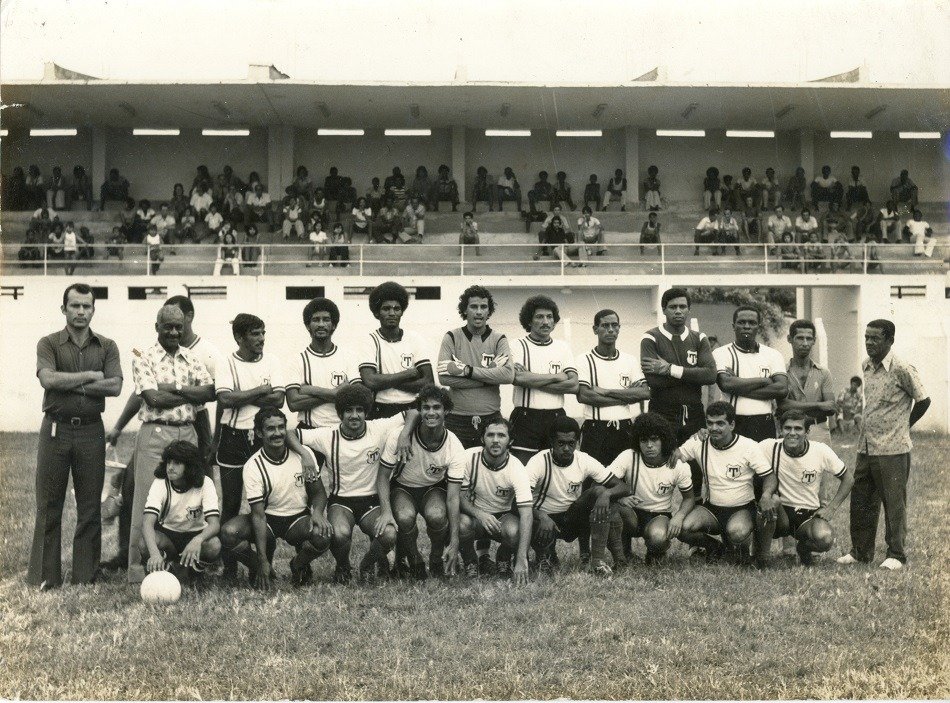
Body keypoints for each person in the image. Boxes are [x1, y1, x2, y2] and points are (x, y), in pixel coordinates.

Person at [102, 296, 222, 572]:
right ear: (156, 326)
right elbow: (152, 399)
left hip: (187, 433)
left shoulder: (192, 357)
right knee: (145, 500)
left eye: (178, 327)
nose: (174, 333)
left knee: (191, 492)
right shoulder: (144, 358)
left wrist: (174, 389)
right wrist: (184, 393)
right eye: (167, 327)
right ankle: (138, 565)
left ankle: (190, 561)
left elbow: (210, 392)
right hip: (156, 434)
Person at [29, 284, 123, 590]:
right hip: (56, 428)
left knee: (90, 505)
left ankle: (85, 575)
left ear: (94, 310)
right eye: (74, 306)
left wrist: (70, 384)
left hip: (91, 430)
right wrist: (89, 376)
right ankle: (46, 576)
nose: (80, 312)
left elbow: (115, 387)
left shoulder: (107, 346)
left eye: (86, 306)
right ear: (64, 309)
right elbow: (48, 379)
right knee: (49, 502)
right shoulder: (49, 343)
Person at [295, 384, 417, 583]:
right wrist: (304, 454)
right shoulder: (327, 434)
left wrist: (404, 435)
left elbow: (412, 412)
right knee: (339, 533)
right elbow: (292, 434)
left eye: (359, 410)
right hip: (341, 501)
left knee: (388, 533)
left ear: (366, 412)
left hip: (371, 501)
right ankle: (343, 566)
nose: (354, 415)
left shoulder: (378, 427)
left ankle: (367, 563)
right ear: (340, 413)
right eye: (348, 410)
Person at [837, 320, 929, 570]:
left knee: (893, 502)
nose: (868, 342)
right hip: (865, 446)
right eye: (866, 337)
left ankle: (896, 554)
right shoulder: (866, 366)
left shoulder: (902, 368)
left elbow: (923, 400)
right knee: (862, 500)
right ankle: (860, 551)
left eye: (875, 338)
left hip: (893, 448)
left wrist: (903, 426)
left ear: (890, 340)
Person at [221, 408, 332, 588]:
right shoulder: (253, 466)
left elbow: (318, 493)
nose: (277, 433)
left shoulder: (304, 455)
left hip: (297, 518)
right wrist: (262, 559)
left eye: (281, 427)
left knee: (323, 534)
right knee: (228, 532)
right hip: (268, 520)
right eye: (270, 429)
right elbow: (258, 515)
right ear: (259, 432)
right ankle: (259, 567)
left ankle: (297, 565)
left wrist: (318, 513)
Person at [214, 313, 288, 578]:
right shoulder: (226, 363)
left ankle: (263, 565)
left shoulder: (273, 361)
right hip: (233, 437)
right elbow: (225, 398)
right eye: (255, 334)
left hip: (261, 438)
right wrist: (259, 391)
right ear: (239, 337)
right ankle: (230, 567)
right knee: (232, 504)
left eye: (263, 333)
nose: (261, 339)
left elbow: (278, 399)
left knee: (264, 505)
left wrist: (242, 396)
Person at [377, 385, 466, 578]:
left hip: (432, 489)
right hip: (403, 487)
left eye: (437, 407)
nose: (431, 412)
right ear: (420, 411)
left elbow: (453, 498)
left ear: (446, 411)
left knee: (436, 515)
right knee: (405, 516)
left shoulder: (454, 446)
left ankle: (435, 558)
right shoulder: (400, 437)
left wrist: (455, 541)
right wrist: (385, 511)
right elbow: (383, 477)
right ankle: (414, 558)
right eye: (426, 408)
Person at [674, 402, 778, 566]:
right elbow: (675, 456)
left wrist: (766, 495)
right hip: (712, 509)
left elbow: (770, 476)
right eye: (710, 423)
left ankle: (742, 552)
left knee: (737, 533)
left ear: (732, 424)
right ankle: (717, 548)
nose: (714, 428)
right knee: (681, 528)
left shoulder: (748, 446)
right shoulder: (699, 442)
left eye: (720, 423)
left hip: (741, 508)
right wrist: (690, 433)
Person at [526, 416, 631, 575]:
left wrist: (606, 494)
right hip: (545, 520)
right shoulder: (538, 461)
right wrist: (541, 516)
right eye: (561, 443)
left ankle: (597, 561)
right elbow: (518, 501)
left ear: (578, 441)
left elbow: (623, 486)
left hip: (572, 517)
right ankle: (545, 555)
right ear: (551, 442)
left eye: (571, 443)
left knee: (599, 492)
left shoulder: (583, 459)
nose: (567, 449)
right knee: (545, 568)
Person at [640, 288, 717, 499]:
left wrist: (670, 369)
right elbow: (653, 380)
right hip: (662, 412)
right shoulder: (651, 337)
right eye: (673, 307)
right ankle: (657, 513)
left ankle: (692, 521)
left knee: (694, 469)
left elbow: (710, 375)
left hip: (693, 413)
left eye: (683, 307)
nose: (678, 311)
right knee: (659, 467)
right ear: (664, 309)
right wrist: (693, 374)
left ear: (689, 310)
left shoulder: (699, 338)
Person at [754, 411, 854, 566]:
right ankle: (763, 558)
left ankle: (803, 549)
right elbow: (743, 454)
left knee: (825, 538)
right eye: (787, 428)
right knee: (771, 499)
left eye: (798, 429)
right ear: (781, 430)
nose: (792, 433)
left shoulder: (820, 450)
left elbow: (848, 479)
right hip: (780, 514)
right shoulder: (769, 447)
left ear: (807, 432)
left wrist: (831, 508)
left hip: (806, 514)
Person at [443, 418, 532, 583]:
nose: (496, 440)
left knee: (515, 530)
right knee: (461, 523)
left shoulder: (517, 467)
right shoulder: (468, 457)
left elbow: (527, 514)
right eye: (490, 435)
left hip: (502, 518)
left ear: (510, 441)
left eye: (501, 435)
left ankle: (503, 558)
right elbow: (458, 497)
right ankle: (471, 561)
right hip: (474, 516)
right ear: (482, 438)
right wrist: (480, 514)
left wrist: (521, 559)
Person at [607, 413, 694, 565]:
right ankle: (625, 552)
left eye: (654, 439)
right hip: (633, 511)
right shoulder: (629, 456)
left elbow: (689, 498)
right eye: (643, 440)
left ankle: (655, 552)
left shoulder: (677, 465)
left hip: (658, 514)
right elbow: (604, 480)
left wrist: (679, 516)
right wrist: (620, 498)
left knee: (658, 537)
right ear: (637, 441)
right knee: (612, 507)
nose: (649, 445)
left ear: (664, 440)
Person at [438, 285, 514, 449]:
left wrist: (467, 370)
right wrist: (489, 377)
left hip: (490, 418)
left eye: (483, 307)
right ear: (465, 310)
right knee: (456, 469)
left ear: (489, 311)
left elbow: (508, 375)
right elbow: (444, 377)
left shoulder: (499, 339)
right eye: (473, 306)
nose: (479, 312)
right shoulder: (451, 337)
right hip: (456, 418)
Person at [508, 295, 578, 465]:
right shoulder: (517, 344)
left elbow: (573, 385)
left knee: (555, 468)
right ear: (529, 321)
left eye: (549, 317)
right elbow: (517, 378)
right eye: (539, 317)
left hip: (556, 416)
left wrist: (532, 379)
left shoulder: (562, 347)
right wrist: (557, 376)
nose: (545, 321)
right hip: (525, 417)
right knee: (523, 469)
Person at [140, 440, 221, 583]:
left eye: (177, 463)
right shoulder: (160, 483)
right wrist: (154, 554)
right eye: (169, 462)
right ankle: (168, 570)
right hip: (169, 535)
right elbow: (147, 523)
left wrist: (198, 540)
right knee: (144, 544)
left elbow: (214, 524)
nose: (170, 467)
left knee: (214, 545)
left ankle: (195, 571)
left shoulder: (205, 483)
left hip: (195, 534)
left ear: (190, 466)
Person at [577, 309, 649, 467]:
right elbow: (585, 396)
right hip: (596, 428)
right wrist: (627, 397)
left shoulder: (629, 360)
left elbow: (644, 392)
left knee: (624, 481)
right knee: (592, 481)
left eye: (614, 325)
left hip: (624, 428)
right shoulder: (584, 359)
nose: (610, 329)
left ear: (619, 328)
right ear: (595, 329)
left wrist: (607, 391)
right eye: (605, 325)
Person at [713, 306, 788, 442]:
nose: (746, 326)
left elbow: (782, 389)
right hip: (733, 422)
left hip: (763, 422)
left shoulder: (773, 354)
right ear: (733, 326)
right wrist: (764, 381)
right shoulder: (721, 353)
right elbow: (725, 384)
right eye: (741, 322)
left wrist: (737, 384)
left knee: (762, 463)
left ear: (758, 327)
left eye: (752, 323)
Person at [359, 282, 433, 418]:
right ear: (377, 313)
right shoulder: (369, 341)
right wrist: (407, 374)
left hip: (412, 407)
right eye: (386, 309)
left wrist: (385, 380)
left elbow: (428, 381)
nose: (392, 313)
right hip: (381, 408)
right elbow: (370, 381)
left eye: (396, 309)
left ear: (402, 312)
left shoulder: (414, 338)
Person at [286, 298, 361, 431]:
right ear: (308, 325)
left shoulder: (349, 356)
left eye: (326, 319)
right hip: (310, 429)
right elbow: (293, 403)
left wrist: (309, 389)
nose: (321, 324)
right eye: (316, 320)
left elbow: (356, 397)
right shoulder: (297, 359)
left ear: (334, 325)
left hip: (342, 429)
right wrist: (336, 393)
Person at [780, 319, 838, 444]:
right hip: (791, 430)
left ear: (814, 340)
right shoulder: (781, 372)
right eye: (800, 338)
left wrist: (794, 405)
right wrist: (818, 405)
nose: (805, 343)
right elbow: (783, 405)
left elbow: (830, 407)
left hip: (818, 429)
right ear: (790, 339)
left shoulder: (823, 372)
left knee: (821, 463)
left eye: (809, 338)